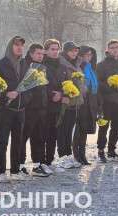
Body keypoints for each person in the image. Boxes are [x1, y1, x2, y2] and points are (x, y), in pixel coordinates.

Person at [0, 36, 31, 182]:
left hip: (21, 110)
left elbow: (30, 86)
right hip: (6, 109)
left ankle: (15, 170)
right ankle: (1, 172)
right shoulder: (0, 64)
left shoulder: (26, 64)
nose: (19, 48)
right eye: (16, 45)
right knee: (3, 140)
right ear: (10, 46)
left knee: (18, 141)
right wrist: (6, 94)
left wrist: (25, 99)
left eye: (21, 45)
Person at [20, 43, 50, 177]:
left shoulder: (42, 67)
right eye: (38, 53)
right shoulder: (24, 65)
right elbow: (23, 86)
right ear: (31, 53)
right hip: (29, 108)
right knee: (23, 137)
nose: (41, 56)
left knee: (38, 137)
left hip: (41, 108)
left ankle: (37, 165)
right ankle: (19, 164)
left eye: (42, 54)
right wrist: (28, 100)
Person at [41, 39, 69, 174]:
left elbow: (67, 84)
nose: (55, 51)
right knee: (43, 134)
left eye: (57, 49)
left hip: (57, 106)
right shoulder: (41, 65)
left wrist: (62, 93)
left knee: (53, 134)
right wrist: (52, 94)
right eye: (52, 49)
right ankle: (40, 162)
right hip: (44, 104)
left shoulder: (63, 67)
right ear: (46, 51)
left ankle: (49, 161)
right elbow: (40, 84)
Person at [56, 41, 83, 169]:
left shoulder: (77, 63)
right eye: (72, 50)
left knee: (69, 132)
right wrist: (65, 94)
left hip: (75, 102)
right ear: (66, 51)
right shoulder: (61, 63)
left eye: (76, 50)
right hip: (65, 102)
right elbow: (60, 81)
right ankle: (62, 157)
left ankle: (68, 156)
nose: (74, 53)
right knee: (62, 131)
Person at [73, 46, 99, 165]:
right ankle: (76, 155)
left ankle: (82, 155)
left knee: (84, 130)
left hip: (90, 102)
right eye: (87, 55)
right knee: (78, 130)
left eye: (90, 55)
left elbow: (95, 86)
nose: (89, 57)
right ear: (81, 55)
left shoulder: (90, 67)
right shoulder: (79, 67)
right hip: (81, 101)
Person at [96, 39, 118, 163]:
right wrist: (110, 85)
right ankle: (101, 150)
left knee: (116, 126)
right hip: (106, 101)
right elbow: (98, 82)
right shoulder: (102, 65)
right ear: (108, 50)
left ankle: (111, 150)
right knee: (104, 126)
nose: (115, 49)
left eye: (117, 47)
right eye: (112, 47)